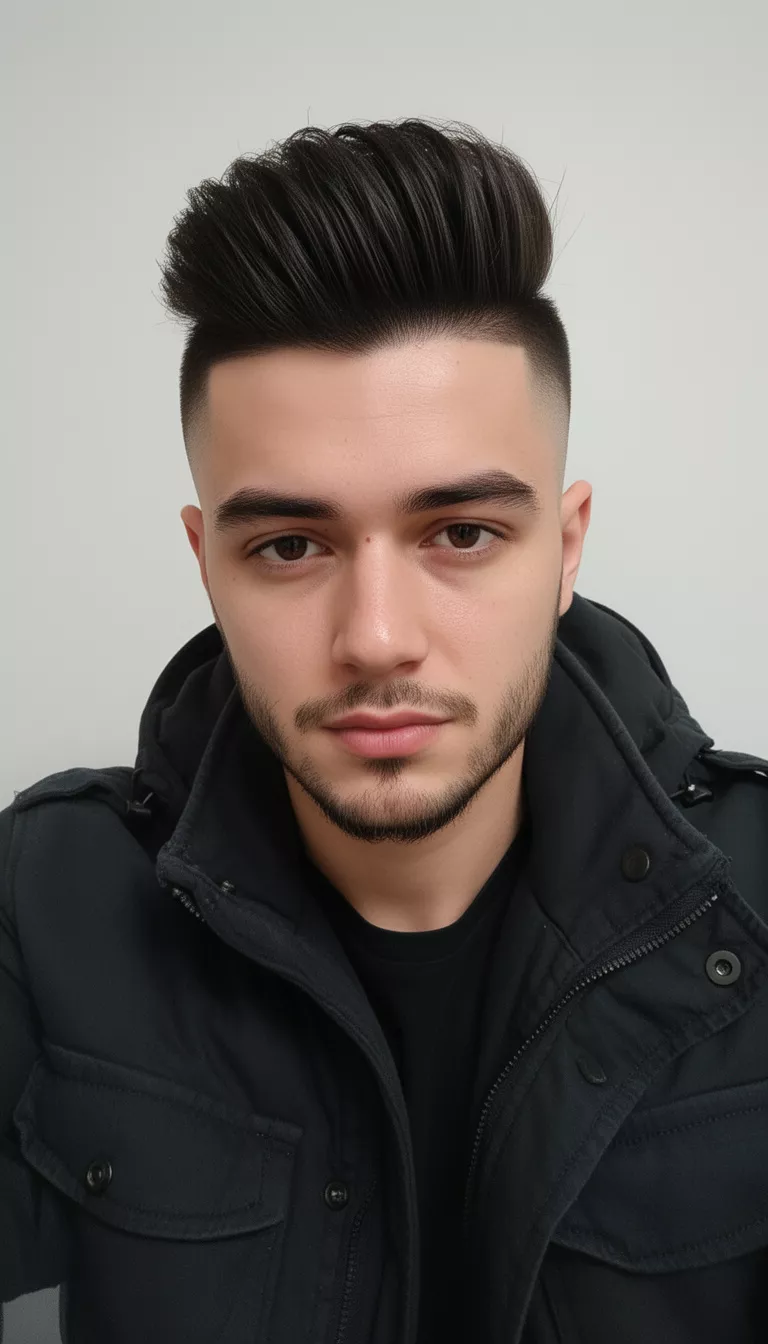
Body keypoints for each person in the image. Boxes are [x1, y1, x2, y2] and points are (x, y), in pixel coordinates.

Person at [2, 116, 768, 1344]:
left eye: (461, 533)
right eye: (290, 546)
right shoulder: (43, 904)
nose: (374, 637)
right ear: (208, 564)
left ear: (564, 549)